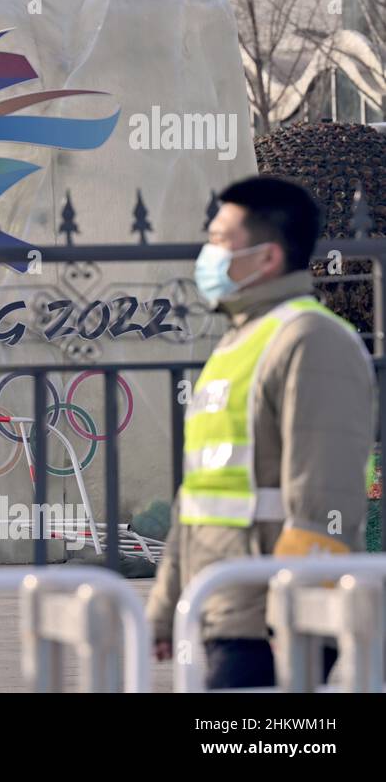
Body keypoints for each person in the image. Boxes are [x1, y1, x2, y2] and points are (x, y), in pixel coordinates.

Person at [147, 175, 374, 689]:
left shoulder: (312, 340)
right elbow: (201, 495)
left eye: (220, 240)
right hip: (227, 607)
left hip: (273, 618)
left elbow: (327, 497)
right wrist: (166, 607)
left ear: (267, 257)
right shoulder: (238, 343)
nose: (207, 254)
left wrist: (292, 616)